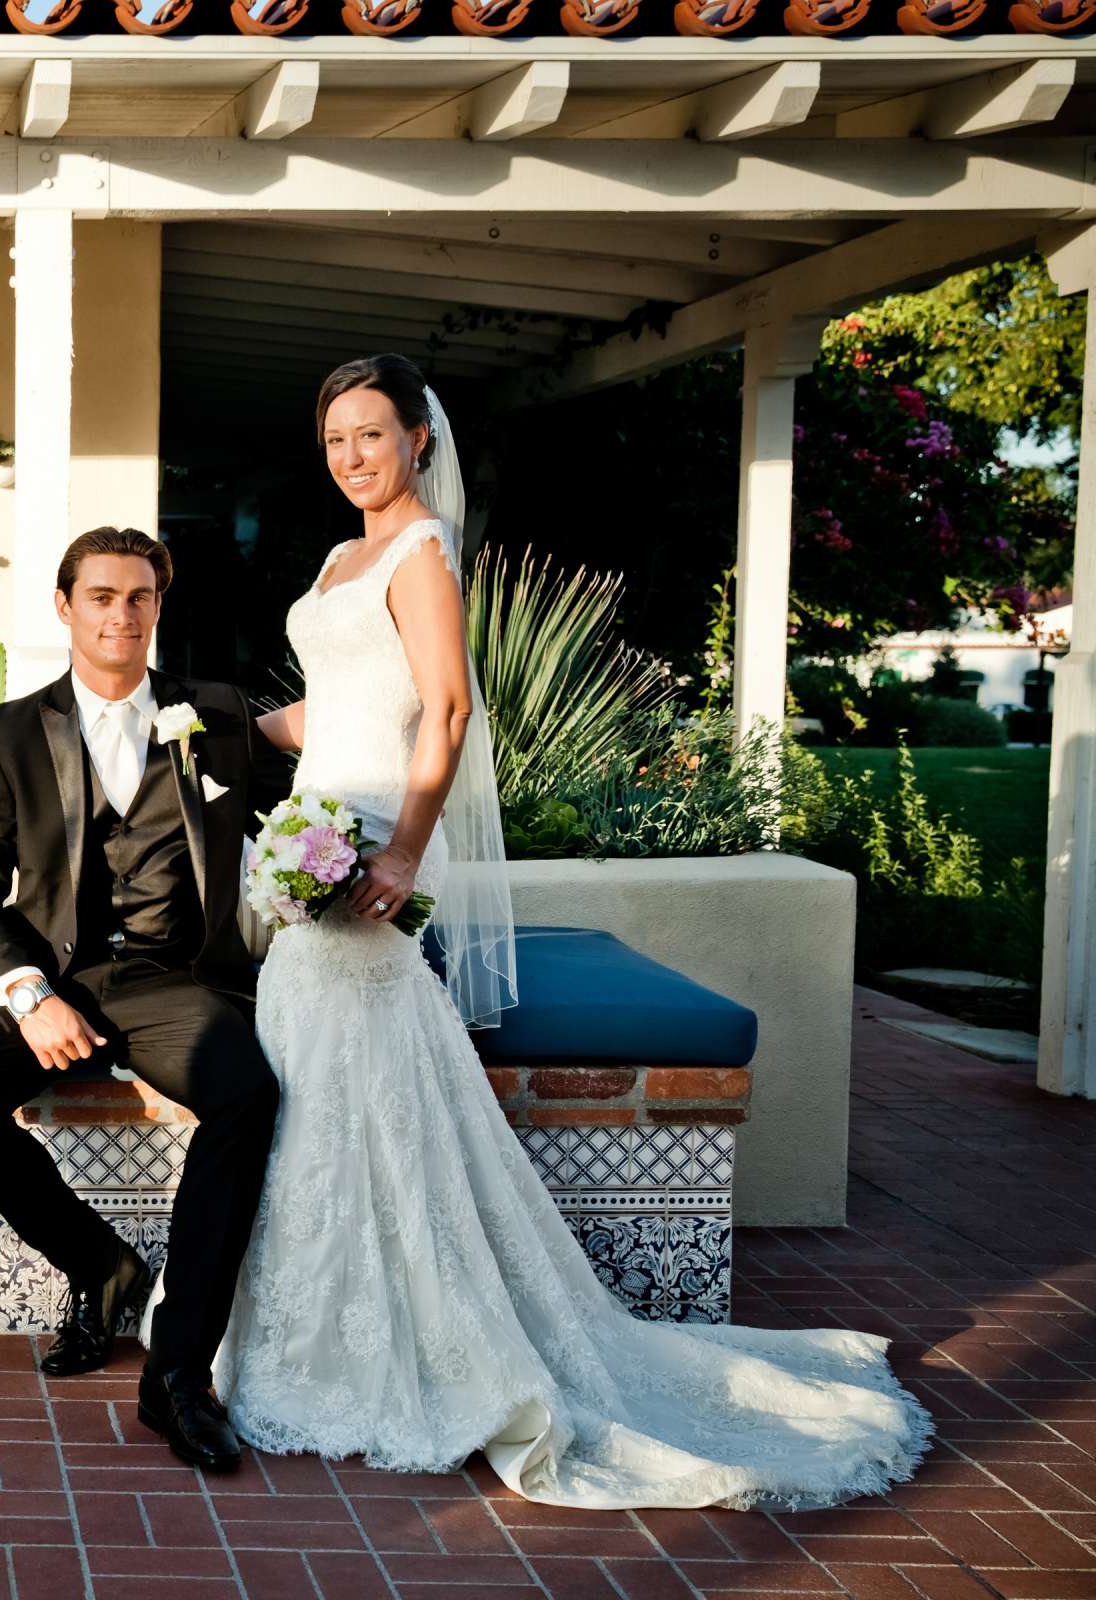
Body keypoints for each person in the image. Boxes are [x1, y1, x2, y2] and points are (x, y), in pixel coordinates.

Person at [204, 352, 932, 1509]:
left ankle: (401, 1341)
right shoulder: (343, 555)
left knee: (353, 1072)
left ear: (418, 443)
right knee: (320, 1076)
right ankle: (312, 1318)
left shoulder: (421, 554)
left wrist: (399, 849)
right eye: (336, 437)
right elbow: (325, 710)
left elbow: (445, 708)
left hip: (373, 845)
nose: (352, 456)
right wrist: (205, 719)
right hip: (319, 829)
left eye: (372, 436)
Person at [0, 526, 278, 1473]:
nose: (123, 615)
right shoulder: (4, 732)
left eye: (141, 598)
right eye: (103, 596)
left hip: (168, 977)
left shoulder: (217, 714)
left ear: (160, 606)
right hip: (47, 972)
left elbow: (326, 754)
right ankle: (100, 1264)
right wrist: (30, 992)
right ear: (65, 605)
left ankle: (178, 1375)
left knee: (246, 1095)